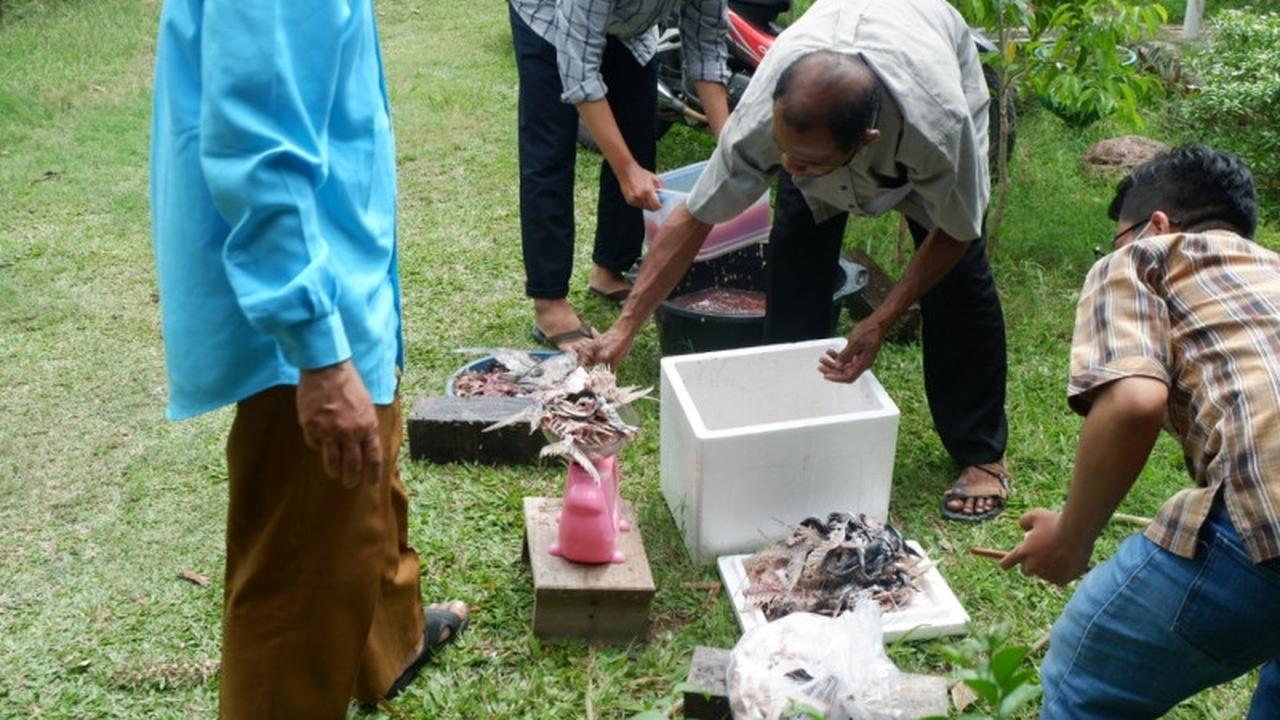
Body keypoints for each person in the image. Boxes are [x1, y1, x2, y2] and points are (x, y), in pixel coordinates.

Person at [150, 2, 466, 716]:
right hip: (309, 311)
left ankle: (391, 645)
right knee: (300, 578)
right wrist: (318, 352)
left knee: (370, 483)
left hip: (343, 277)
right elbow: (257, 148)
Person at [581, 0, 1012, 520]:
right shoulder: (768, 116)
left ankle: (981, 454)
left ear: (865, 142)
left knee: (959, 283)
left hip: (922, 70)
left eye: (805, 161)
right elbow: (694, 217)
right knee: (793, 263)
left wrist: (880, 320)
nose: (787, 166)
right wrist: (625, 327)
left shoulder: (939, 127)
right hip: (828, 107)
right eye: (782, 151)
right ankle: (790, 422)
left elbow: (956, 232)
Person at [999, 146, 1280, 718]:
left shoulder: (1146, 256)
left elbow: (1132, 402)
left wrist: (1070, 538)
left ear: (1155, 224)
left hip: (1268, 518)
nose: (1113, 252)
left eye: (1117, 239)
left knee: (1085, 681)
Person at [509, 0, 732, 351]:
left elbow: (707, 46)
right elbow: (579, 74)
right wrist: (626, 170)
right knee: (550, 153)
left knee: (638, 136)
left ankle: (609, 269)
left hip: (631, 27)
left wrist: (731, 150)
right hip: (549, 16)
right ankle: (549, 303)